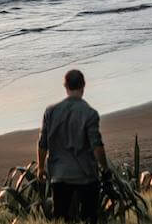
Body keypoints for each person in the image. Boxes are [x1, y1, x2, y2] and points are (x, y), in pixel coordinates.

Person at [37, 69, 109, 223]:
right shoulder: (90, 113)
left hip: (59, 175)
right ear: (83, 85)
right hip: (86, 175)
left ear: (65, 86)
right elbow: (97, 146)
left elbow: (43, 144)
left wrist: (41, 168)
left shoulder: (50, 111)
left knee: (61, 219)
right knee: (89, 218)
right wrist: (105, 168)